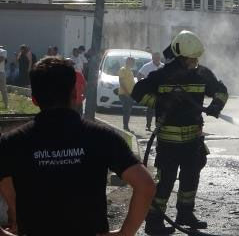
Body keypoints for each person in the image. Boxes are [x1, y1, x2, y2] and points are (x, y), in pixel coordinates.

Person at [0, 57, 156, 235]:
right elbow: (146, 185)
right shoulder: (103, 137)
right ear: (75, 94)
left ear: (34, 99)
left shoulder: (12, 142)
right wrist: (125, 233)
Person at [131, 31, 228, 235]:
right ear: (181, 57)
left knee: (190, 178)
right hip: (168, 140)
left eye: (196, 58)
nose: (195, 62)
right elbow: (137, 92)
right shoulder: (162, 75)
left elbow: (221, 91)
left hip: (193, 139)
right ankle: (154, 222)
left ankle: (185, 214)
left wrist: (216, 105)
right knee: (165, 181)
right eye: (191, 58)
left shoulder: (202, 74)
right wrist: (160, 102)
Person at [137, 51, 164, 132]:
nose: (157, 59)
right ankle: (148, 126)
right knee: (150, 109)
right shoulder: (147, 66)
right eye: (155, 57)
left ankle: (157, 126)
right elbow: (139, 75)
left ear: (160, 58)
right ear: (152, 58)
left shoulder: (163, 66)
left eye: (158, 57)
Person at [118, 56, 137, 132]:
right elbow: (121, 82)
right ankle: (125, 127)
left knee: (128, 110)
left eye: (133, 62)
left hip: (130, 94)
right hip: (124, 94)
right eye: (131, 61)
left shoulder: (130, 71)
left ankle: (126, 126)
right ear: (127, 61)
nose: (132, 63)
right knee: (127, 110)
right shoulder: (123, 69)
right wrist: (127, 93)